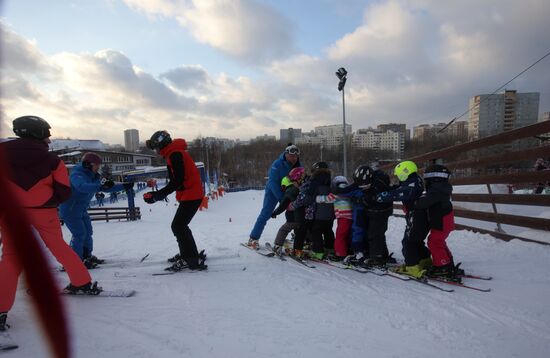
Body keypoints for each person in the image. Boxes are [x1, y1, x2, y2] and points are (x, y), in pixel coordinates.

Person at [1, 116, 101, 329]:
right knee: (58, 246)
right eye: (46, 134)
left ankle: (1, 310)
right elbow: (64, 191)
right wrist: (48, 199)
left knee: (11, 256)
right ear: (38, 134)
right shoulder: (53, 160)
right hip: (44, 210)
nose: (48, 139)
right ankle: (81, 282)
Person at [143, 130, 207, 271]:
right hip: (191, 194)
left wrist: (157, 196)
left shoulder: (175, 154)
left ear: (162, 144)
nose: (157, 151)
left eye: (156, 147)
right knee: (180, 225)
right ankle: (189, 254)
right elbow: (175, 180)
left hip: (192, 194)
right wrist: (157, 195)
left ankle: (189, 259)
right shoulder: (173, 153)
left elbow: (178, 180)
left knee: (178, 226)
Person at [59, 152, 129, 268]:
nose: (98, 167)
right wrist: (100, 186)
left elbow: (106, 188)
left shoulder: (94, 176)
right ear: (87, 164)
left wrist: (125, 185)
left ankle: (86, 256)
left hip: (81, 210)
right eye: (96, 165)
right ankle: (74, 261)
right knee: (79, 234)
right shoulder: (77, 175)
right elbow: (82, 186)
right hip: (70, 210)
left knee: (88, 233)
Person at [376, 160, 429, 278]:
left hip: (415, 216)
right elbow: (399, 188)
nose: (399, 177)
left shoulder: (410, 186)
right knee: (416, 240)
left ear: (405, 173)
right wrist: (390, 189)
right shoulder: (415, 180)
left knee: (408, 242)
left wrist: (380, 197)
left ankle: (412, 267)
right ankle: (424, 260)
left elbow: (399, 193)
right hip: (420, 216)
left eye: (399, 175)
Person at [247, 144, 301, 249]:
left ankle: (296, 236)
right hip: (273, 191)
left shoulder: (298, 165)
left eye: (296, 156)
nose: (294, 158)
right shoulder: (277, 164)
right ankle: (253, 238)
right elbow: (272, 182)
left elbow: (301, 179)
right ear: (286, 154)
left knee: (296, 214)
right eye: (291, 156)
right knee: (266, 214)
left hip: (290, 192)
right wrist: (282, 199)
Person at [270, 168, 306, 255]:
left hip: (293, 218)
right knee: (300, 232)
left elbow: (283, 206)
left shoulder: (289, 192)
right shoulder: (301, 189)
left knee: (284, 230)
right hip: (304, 218)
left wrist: (275, 212)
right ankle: (304, 245)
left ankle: (277, 245)